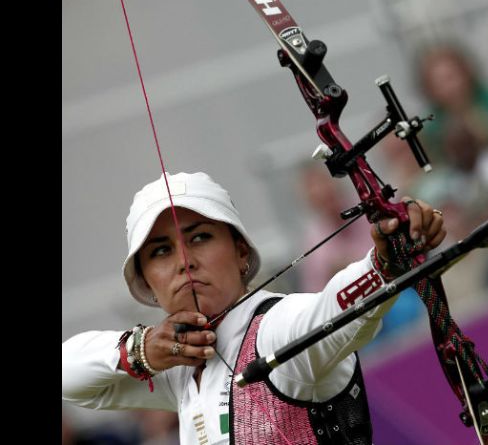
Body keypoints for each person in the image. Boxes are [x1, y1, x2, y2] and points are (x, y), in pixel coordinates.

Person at [62, 171, 446, 445]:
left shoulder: (276, 327)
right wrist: (140, 351)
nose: (184, 261)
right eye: (161, 251)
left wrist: (382, 265)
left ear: (240, 251)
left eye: (200, 238)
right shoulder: (174, 371)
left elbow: (334, 312)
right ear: (147, 281)